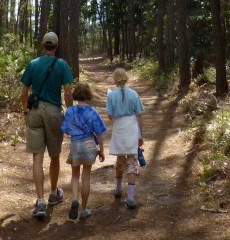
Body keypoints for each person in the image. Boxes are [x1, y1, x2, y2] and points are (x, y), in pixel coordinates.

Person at [20, 31, 74, 219]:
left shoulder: (33, 64)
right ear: (57, 46)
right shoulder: (62, 65)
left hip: (35, 112)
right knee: (55, 155)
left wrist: (26, 112)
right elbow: (67, 92)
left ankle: (40, 200)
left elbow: (23, 93)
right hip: (53, 113)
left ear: (43, 45)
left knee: (37, 157)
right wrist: (71, 112)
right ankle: (53, 193)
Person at [61, 82, 106, 220]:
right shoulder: (92, 112)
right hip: (88, 143)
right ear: (88, 95)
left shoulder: (70, 111)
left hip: (75, 144)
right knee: (86, 177)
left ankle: (75, 198)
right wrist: (102, 150)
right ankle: (84, 209)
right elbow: (99, 132)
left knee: (75, 175)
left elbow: (66, 130)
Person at [106, 67, 145, 209]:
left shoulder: (111, 95)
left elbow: (110, 116)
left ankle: (118, 188)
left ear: (115, 79)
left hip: (119, 130)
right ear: (126, 78)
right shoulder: (134, 94)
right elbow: (140, 116)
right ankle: (130, 197)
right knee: (132, 162)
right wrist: (141, 135)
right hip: (132, 130)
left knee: (120, 159)